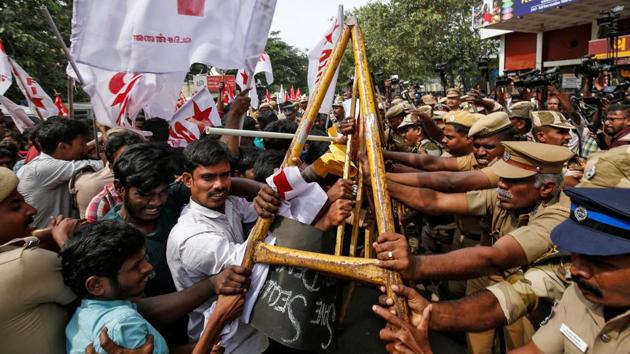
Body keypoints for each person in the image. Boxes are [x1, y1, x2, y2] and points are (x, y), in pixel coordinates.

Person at [374, 187, 630, 354]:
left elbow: (495, 258)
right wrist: (430, 314)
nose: (576, 270)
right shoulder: (580, 296)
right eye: (575, 256)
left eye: (601, 262)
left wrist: (416, 266)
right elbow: (533, 351)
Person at [380, 141, 574, 352]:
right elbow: (436, 200)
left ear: (546, 188)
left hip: (527, 300)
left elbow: (496, 256)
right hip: (495, 285)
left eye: (511, 180)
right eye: (502, 178)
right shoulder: (508, 196)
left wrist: (416, 266)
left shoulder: (558, 217)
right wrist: (380, 180)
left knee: (517, 343)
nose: (501, 185)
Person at [62, 220, 250, 354]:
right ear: (96, 285)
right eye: (135, 266)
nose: (148, 268)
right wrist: (218, 319)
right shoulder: (122, 324)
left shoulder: (88, 313)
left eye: (144, 259)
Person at [104, 143, 188, 296]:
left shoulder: (172, 198)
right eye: (145, 195)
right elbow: (136, 305)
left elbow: (215, 184)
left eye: (162, 192)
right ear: (120, 189)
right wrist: (208, 287)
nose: (157, 202)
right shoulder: (109, 236)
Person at [17, 118, 104, 228]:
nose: (86, 147)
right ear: (62, 147)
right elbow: (101, 165)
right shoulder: (42, 168)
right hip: (44, 241)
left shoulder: (46, 164)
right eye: (81, 144)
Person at [85, 130, 145, 223]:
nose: (133, 165)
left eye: (138, 158)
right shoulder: (101, 204)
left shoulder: (164, 193)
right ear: (111, 167)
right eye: (124, 161)